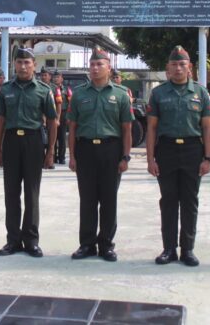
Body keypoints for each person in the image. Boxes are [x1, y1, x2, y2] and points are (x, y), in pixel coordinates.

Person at [145, 46, 210, 267]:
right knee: (168, 202)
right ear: (168, 68)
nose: (178, 68)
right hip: (166, 151)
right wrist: (150, 159)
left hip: (192, 151)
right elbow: (152, 129)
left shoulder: (201, 93)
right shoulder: (158, 93)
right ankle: (168, 249)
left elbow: (206, 128)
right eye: (174, 64)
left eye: (182, 64)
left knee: (189, 201)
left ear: (189, 67)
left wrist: (208, 158)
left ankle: (188, 249)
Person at [67, 48, 134, 262]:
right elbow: (73, 128)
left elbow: (126, 130)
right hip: (85, 150)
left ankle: (106, 244)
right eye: (92, 65)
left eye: (100, 65)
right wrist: (72, 156)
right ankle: (86, 244)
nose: (95, 68)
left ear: (109, 67)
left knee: (108, 199)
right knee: (87, 199)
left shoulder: (121, 94)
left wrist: (125, 157)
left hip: (111, 150)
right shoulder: (79, 94)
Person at [0, 48, 57, 257]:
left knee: (32, 193)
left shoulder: (43, 90)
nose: (23, 66)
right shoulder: (5, 90)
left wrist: (50, 153)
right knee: (11, 193)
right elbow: (0, 120)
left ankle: (31, 240)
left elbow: (52, 121)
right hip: (11, 141)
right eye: (19, 62)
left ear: (34, 65)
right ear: (14, 64)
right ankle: (13, 240)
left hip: (33, 142)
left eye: (27, 63)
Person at [52, 71, 69, 165]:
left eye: (58, 77)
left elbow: (70, 104)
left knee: (62, 137)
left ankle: (61, 157)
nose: (56, 79)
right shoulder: (50, 89)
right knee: (53, 136)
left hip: (63, 114)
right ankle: (53, 157)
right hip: (52, 114)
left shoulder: (66, 90)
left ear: (62, 78)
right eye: (54, 77)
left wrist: (69, 117)